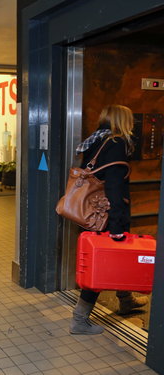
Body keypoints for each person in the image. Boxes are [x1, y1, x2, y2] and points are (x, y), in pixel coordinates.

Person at [70, 104, 148, 335]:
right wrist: (116, 226)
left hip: (93, 212)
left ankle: (125, 300)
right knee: (102, 264)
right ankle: (79, 320)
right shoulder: (116, 143)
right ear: (123, 121)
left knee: (117, 259)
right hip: (108, 215)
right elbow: (113, 186)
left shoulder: (96, 140)